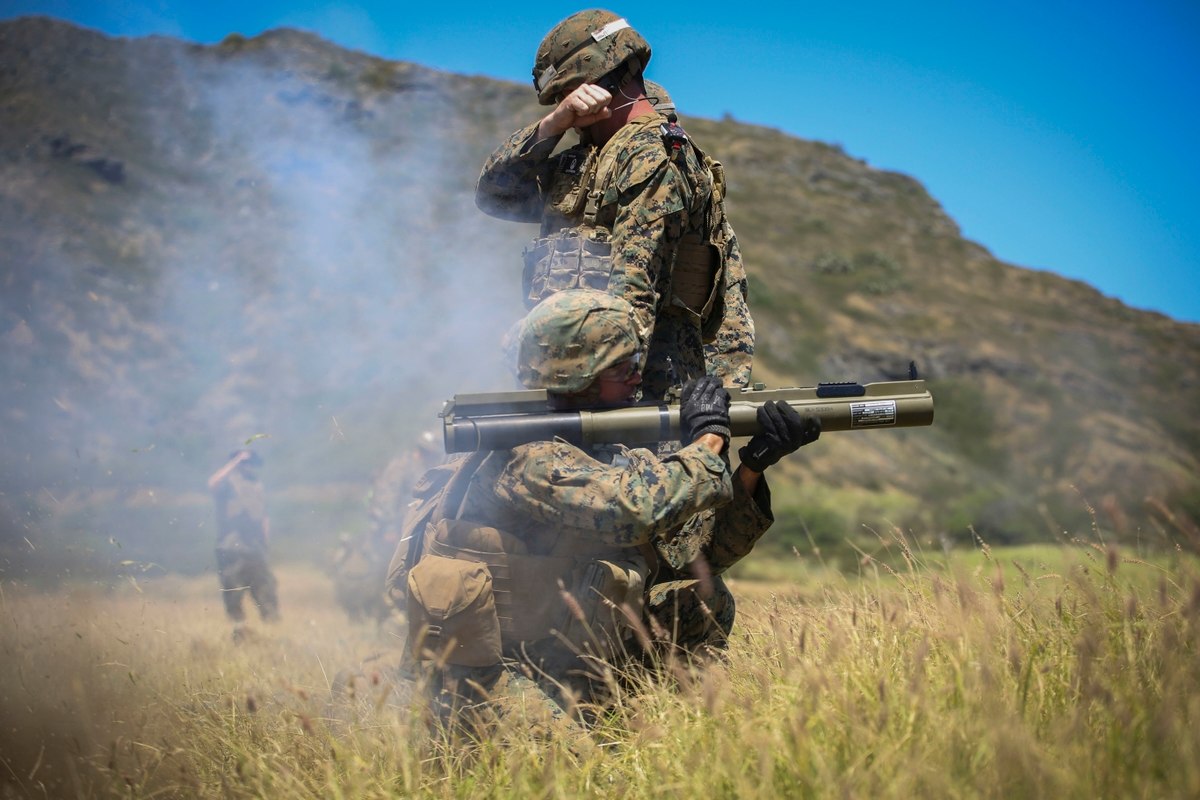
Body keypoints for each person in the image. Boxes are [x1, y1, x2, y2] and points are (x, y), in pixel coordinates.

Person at [386, 289, 819, 735]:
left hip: (559, 652)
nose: (637, 377)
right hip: (490, 671)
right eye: (621, 368)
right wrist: (709, 440)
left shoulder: (601, 452)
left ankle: (660, 728)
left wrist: (752, 468)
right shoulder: (527, 458)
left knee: (703, 601)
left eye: (636, 363)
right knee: (565, 767)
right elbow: (636, 510)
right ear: (578, 374)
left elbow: (691, 559)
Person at [474, 9, 755, 402]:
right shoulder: (589, 159)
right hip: (579, 384)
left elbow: (635, 292)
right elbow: (494, 194)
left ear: (593, 82)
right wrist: (550, 126)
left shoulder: (650, 154)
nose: (565, 106)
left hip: (630, 395)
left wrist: (608, 395)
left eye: (564, 93)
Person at [333, 431, 443, 623]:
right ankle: (384, 614)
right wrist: (389, 528)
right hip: (395, 530)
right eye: (428, 453)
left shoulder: (425, 468)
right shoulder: (400, 467)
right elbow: (386, 498)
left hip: (413, 529)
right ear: (421, 451)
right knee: (390, 572)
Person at [207, 449, 279, 633]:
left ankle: (272, 628)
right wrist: (235, 462)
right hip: (231, 546)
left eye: (250, 462)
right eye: (245, 462)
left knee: (266, 589)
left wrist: (265, 542)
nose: (249, 466)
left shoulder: (257, 484)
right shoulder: (227, 483)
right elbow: (212, 483)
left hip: (255, 548)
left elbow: (264, 515)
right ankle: (238, 631)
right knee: (233, 590)